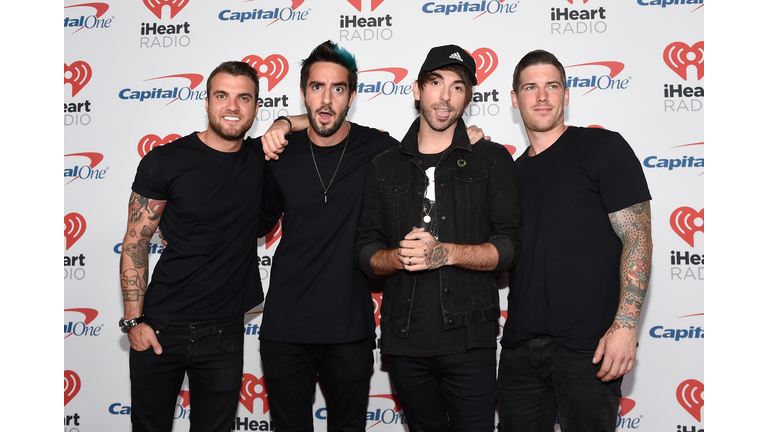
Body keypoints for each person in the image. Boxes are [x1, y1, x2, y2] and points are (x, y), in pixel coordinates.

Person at [256, 40, 488, 431]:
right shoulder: (279, 152)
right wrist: (283, 122)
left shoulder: (378, 150)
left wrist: (467, 139)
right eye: (317, 87)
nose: (327, 98)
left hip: (350, 327)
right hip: (284, 327)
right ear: (303, 93)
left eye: (339, 88)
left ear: (352, 96)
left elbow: (431, 143)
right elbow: (257, 222)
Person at [354, 44, 523, 432]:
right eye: (435, 83)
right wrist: (397, 257)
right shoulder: (383, 166)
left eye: (458, 86)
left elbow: (509, 247)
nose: (445, 96)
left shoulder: (492, 159)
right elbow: (364, 250)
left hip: (470, 339)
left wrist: (445, 253)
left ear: (468, 97)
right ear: (417, 90)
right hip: (403, 340)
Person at [496, 49, 653, 432]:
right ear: (515, 100)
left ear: (566, 95)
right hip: (519, 351)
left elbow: (638, 238)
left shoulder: (603, 148)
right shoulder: (509, 175)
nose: (542, 96)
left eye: (552, 86)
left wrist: (626, 325)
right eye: (530, 88)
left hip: (590, 348)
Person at [119, 61, 265, 432]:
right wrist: (134, 320)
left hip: (224, 332)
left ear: (255, 107)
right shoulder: (165, 161)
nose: (232, 106)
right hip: (160, 326)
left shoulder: (261, 159)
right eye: (222, 96)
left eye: (243, 97)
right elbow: (136, 242)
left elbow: (311, 119)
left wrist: (283, 124)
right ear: (206, 102)